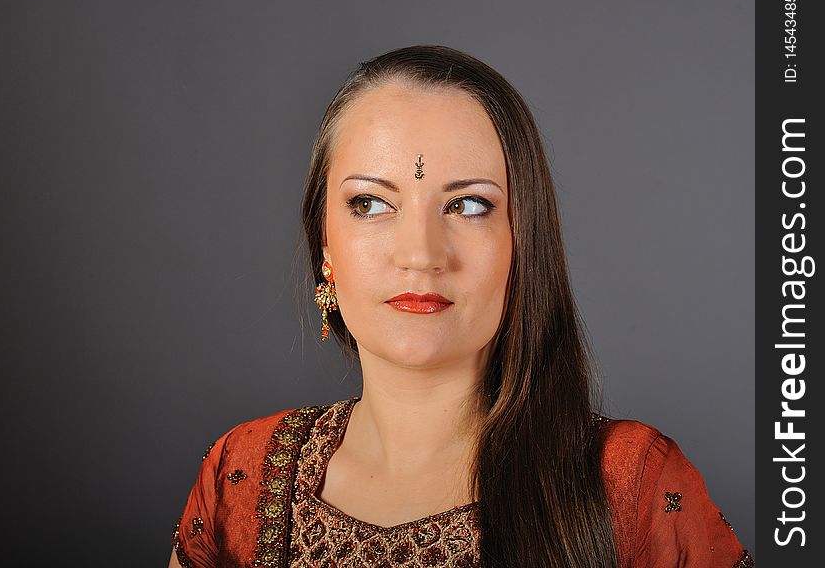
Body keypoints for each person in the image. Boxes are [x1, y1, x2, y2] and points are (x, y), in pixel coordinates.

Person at [168, 45, 752, 567]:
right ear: (325, 243)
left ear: (523, 244)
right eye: (370, 204)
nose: (420, 255)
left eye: (469, 206)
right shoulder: (241, 475)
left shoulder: (632, 485)